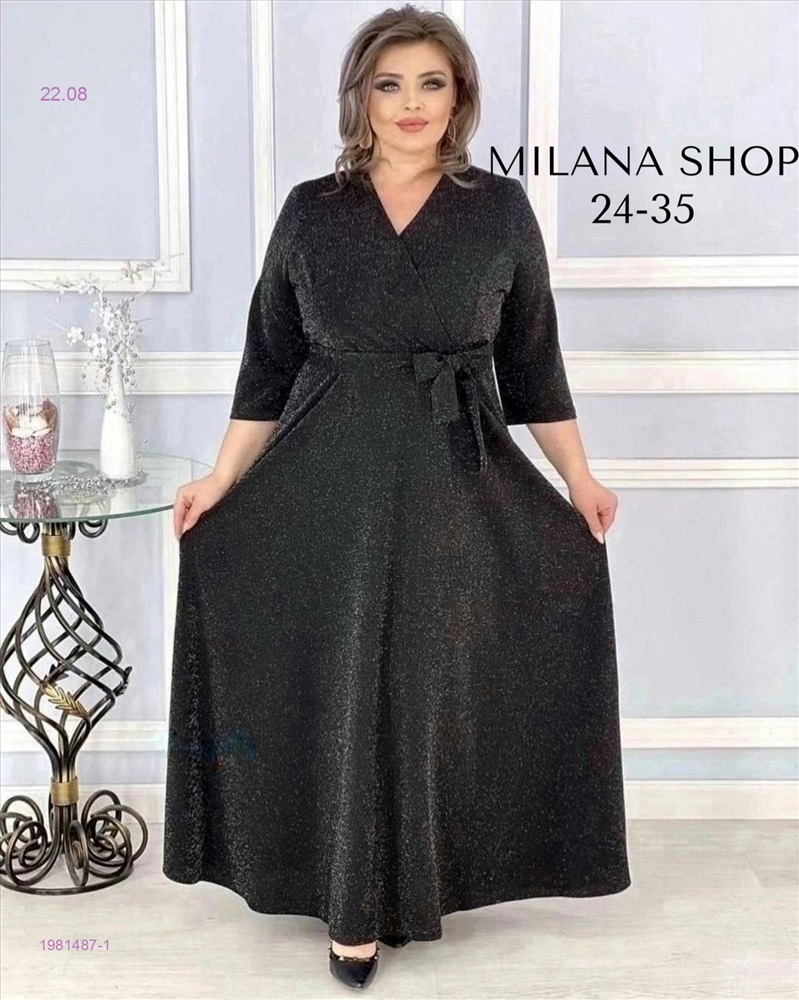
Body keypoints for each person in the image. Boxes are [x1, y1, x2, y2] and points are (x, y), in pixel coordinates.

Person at [163, 4, 631, 991]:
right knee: (343, 686)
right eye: (389, 84)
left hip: (454, 481)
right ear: (360, 97)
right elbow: (267, 363)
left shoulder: (498, 210)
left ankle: (412, 885)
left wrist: (578, 478)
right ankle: (352, 906)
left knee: (426, 691)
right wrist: (220, 478)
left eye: (431, 83)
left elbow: (532, 365)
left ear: (458, 97)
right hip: (323, 480)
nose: (410, 103)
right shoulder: (311, 211)